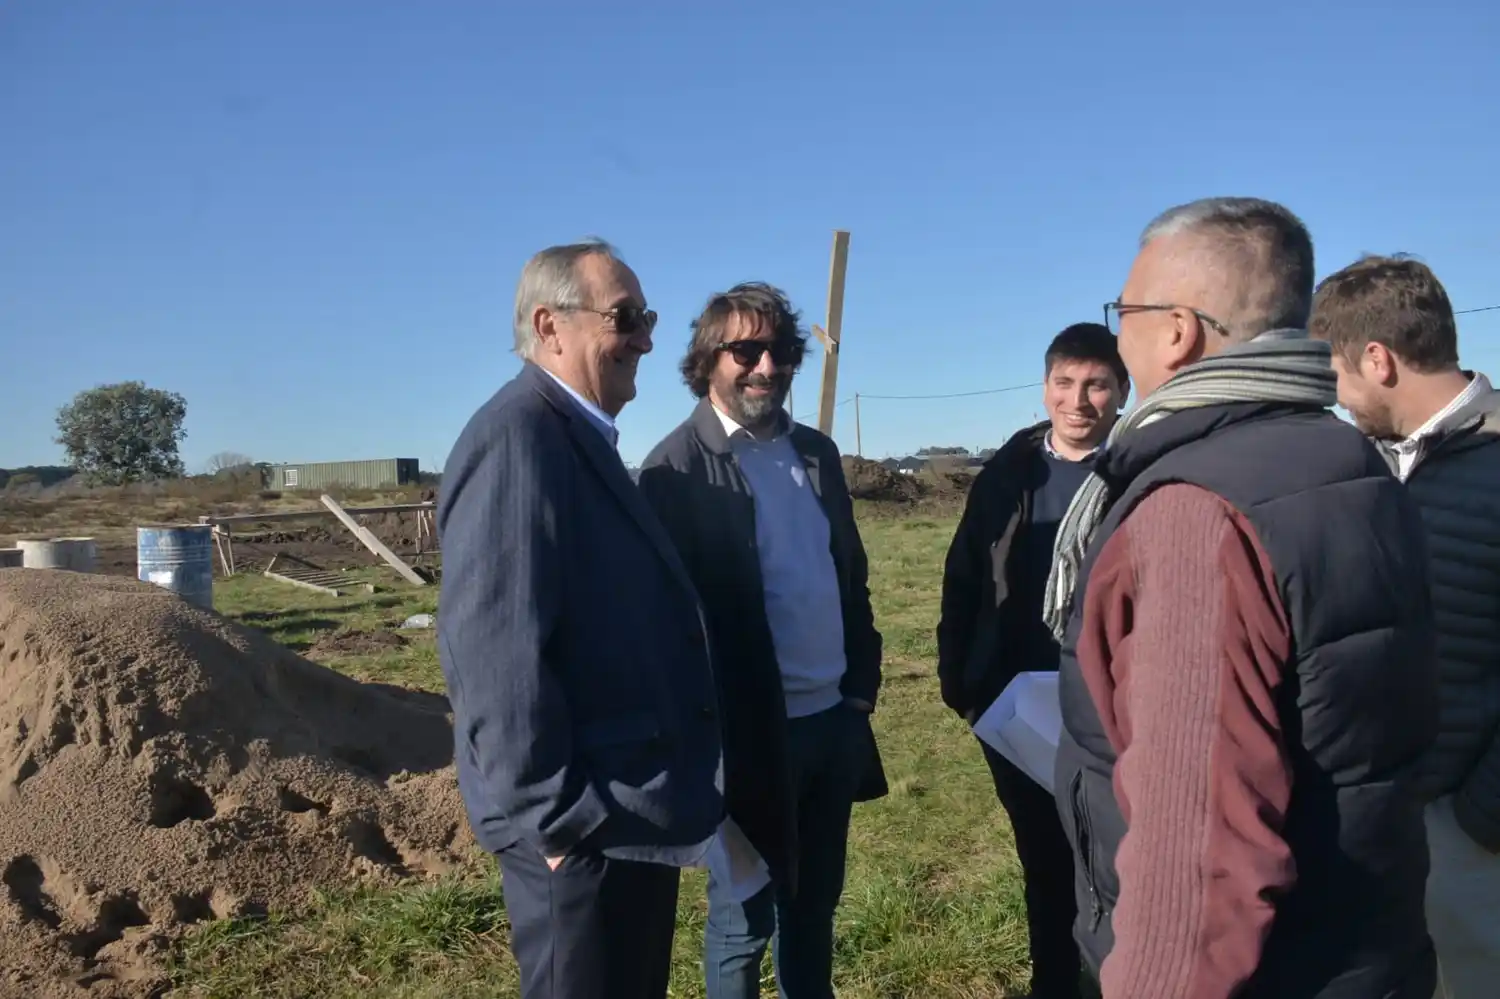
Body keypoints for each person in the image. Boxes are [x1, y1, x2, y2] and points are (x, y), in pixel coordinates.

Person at [1045, 197, 1440, 999]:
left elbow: (1196, 860)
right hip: (1367, 941)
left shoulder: (1196, 513)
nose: (1120, 335)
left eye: (1124, 311)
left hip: (1268, 971)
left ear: (1177, 330)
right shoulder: (1348, 458)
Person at [436, 240, 723, 999]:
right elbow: (495, 658)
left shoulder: (575, 436)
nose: (646, 341)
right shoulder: (518, 438)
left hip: (620, 819)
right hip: (583, 832)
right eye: (624, 318)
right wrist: (559, 820)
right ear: (549, 326)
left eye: (647, 319)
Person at [637, 282, 886, 999]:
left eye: (779, 350)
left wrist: (859, 691)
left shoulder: (816, 454)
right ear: (708, 360)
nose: (766, 367)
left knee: (814, 905)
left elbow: (851, 577)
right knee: (742, 921)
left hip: (832, 722)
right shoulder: (675, 470)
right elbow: (665, 630)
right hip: (747, 741)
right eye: (746, 351)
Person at [1309, 254, 1500, 999]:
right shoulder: (1379, 466)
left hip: (1471, 840)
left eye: (1336, 375)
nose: (1337, 400)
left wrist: (1478, 821)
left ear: (1377, 360)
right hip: (1397, 823)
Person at [936, 322, 1128, 999]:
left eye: (1096, 384)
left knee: (1119, 861)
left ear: (1122, 390)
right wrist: (964, 686)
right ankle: (1052, 981)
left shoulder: (1141, 470)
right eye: (1064, 383)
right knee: (1044, 858)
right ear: (1045, 388)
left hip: (1115, 707)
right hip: (1018, 705)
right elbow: (964, 577)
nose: (1078, 400)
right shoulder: (1008, 473)